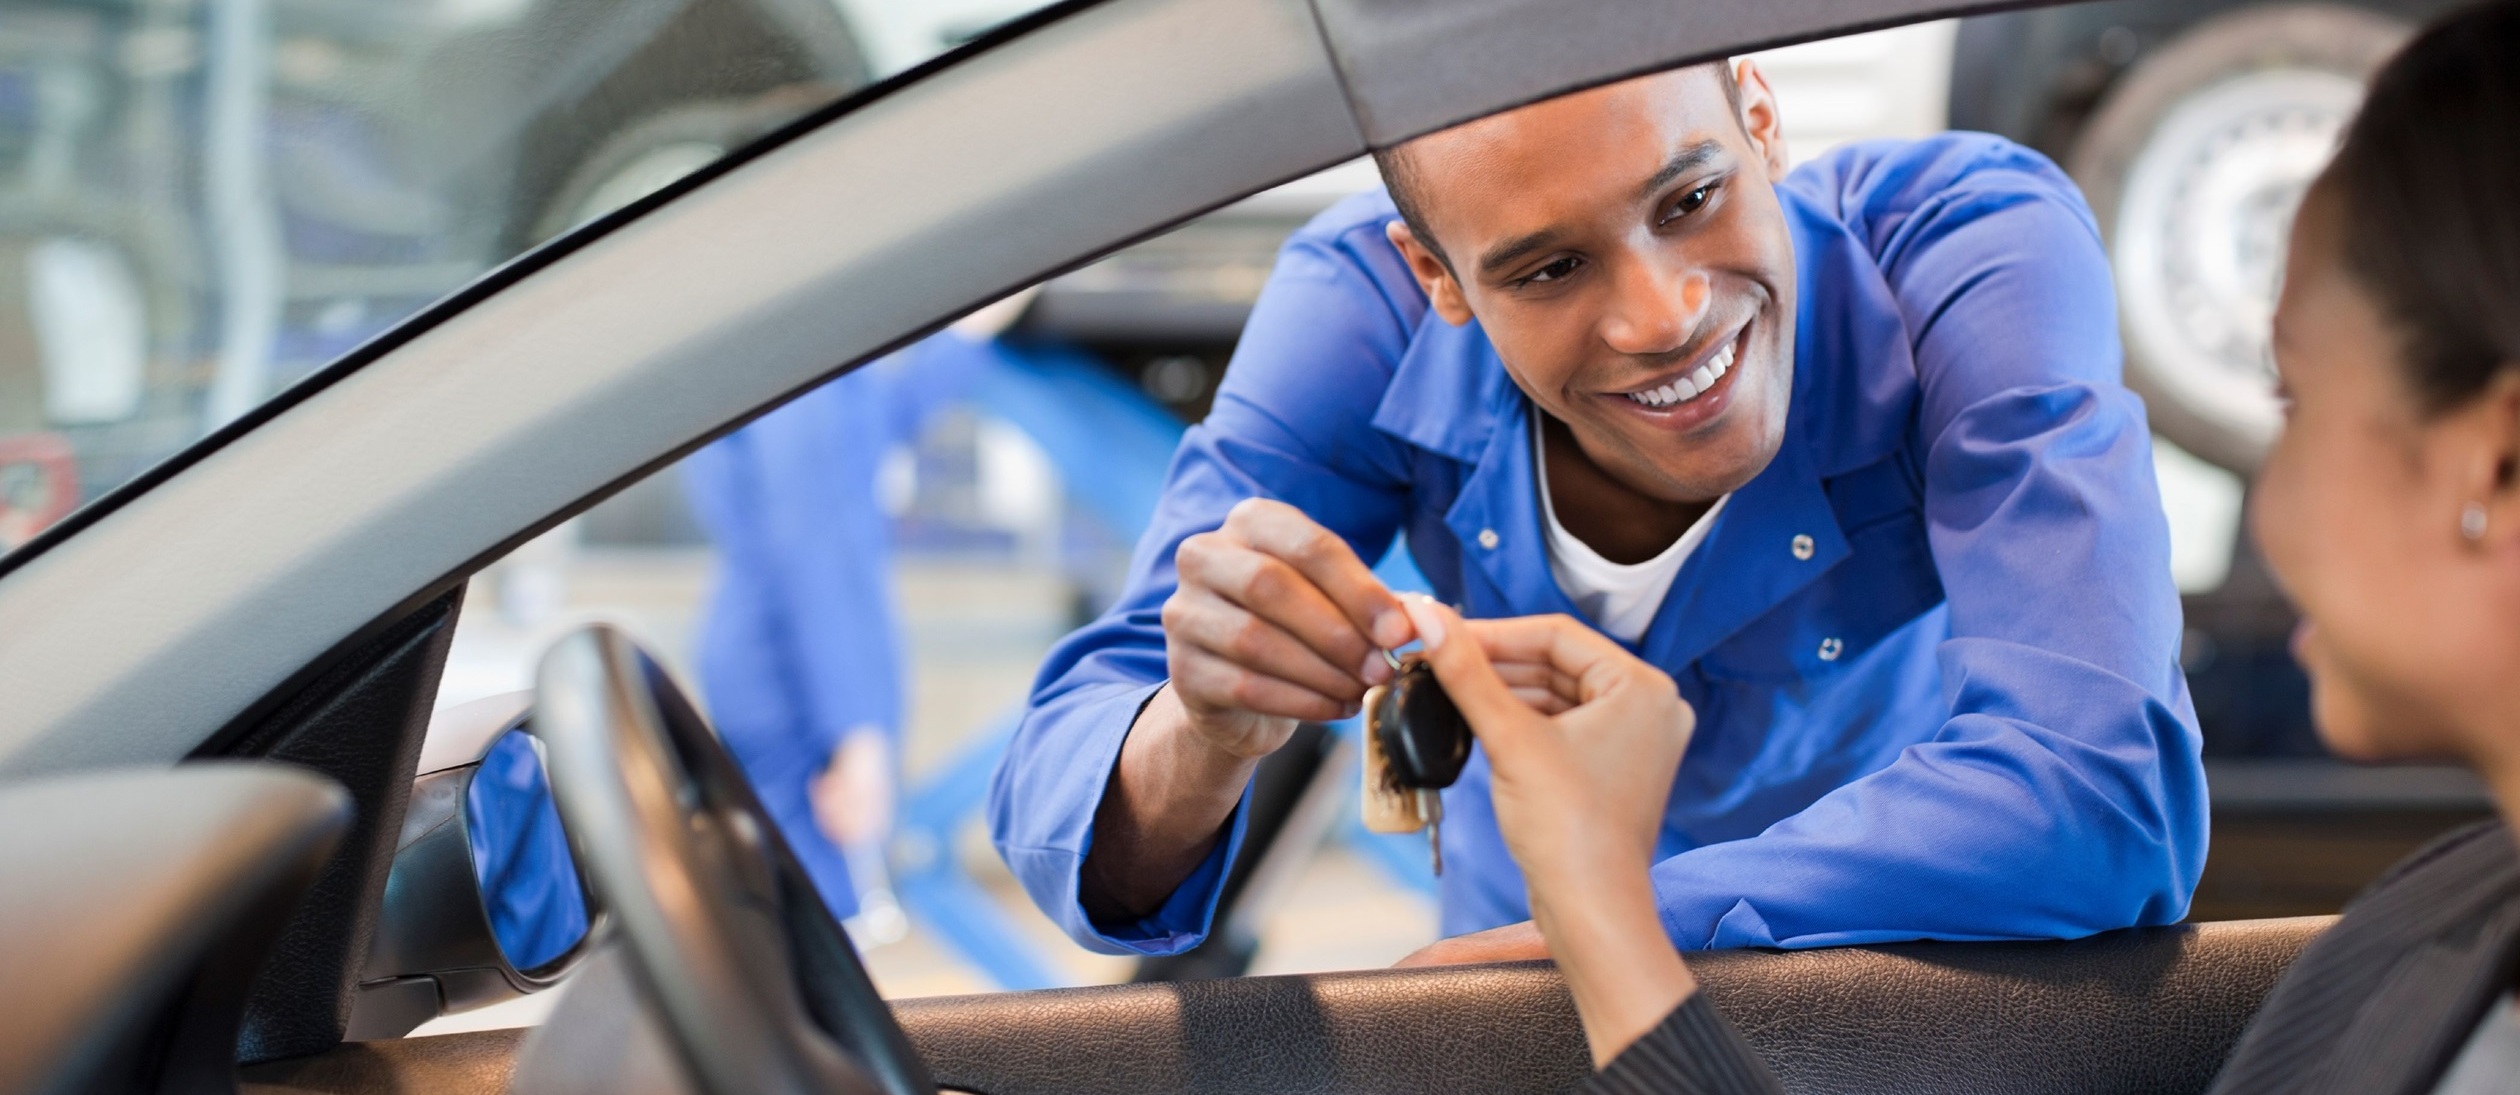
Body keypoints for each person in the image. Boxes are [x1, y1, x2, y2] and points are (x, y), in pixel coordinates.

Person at [1437, 4, 2520, 1089]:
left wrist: (1610, 914)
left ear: (2497, 461)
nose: (2267, 506)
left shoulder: (2433, 963)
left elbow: (2100, 794)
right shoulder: (2435, 933)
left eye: (2297, 403)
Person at [995, 54, 2204, 961]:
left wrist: (1602, 924)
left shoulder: (1960, 246)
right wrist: (1199, 733)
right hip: (1527, 1012)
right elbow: (1067, 803)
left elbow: (2102, 790)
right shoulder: (1360, 305)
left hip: (1882, 991)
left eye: (1688, 200)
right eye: (1549, 269)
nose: (1661, 316)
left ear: (1761, 118)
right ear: (1437, 278)